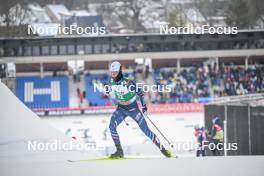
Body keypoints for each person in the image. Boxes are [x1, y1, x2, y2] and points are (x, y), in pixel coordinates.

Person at [106, 61, 172, 158]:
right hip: (121, 108)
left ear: (120, 71)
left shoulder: (128, 83)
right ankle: (119, 151)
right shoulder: (111, 81)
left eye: (115, 72)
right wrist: (108, 89)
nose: (113, 74)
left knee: (146, 131)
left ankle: (163, 149)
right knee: (112, 126)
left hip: (133, 109)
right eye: (112, 72)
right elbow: (110, 88)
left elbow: (140, 93)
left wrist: (144, 107)